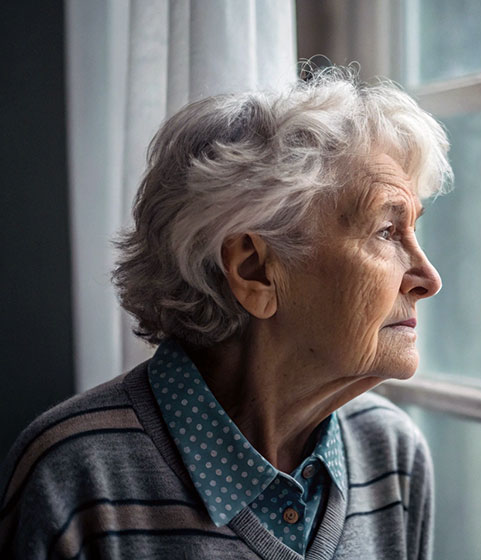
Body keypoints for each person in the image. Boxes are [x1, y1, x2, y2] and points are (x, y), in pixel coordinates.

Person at [0, 67, 452, 559]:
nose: (429, 278)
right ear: (255, 270)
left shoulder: (391, 455)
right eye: (387, 231)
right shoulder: (75, 478)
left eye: (413, 231)